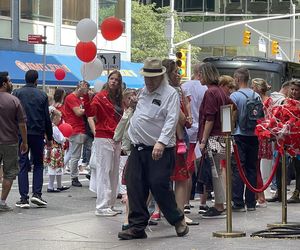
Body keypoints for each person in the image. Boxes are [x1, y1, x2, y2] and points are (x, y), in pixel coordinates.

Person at [118, 58, 188, 240]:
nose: (148, 82)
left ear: (160, 77)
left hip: (159, 149)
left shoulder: (170, 94)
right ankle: (137, 226)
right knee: (134, 186)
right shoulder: (142, 92)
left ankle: (177, 219)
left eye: (152, 78)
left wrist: (162, 142)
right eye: (146, 78)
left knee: (159, 184)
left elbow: (171, 119)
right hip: (138, 147)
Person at [83, 70, 123, 217]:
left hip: (116, 137)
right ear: (108, 80)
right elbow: (90, 112)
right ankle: (102, 206)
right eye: (112, 79)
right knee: (104, 172)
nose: (114, 82)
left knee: (113, 173)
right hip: (103, 136)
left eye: (117, 80)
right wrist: (86, 98)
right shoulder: (100, 97)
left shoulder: (119, 98)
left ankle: (109, 204)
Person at [198, 62, 235, 218]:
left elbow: (210, 118)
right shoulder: (220, 92)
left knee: (217, 173)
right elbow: (232, 107)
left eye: (200, 74)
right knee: (221, 172)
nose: (198, 77)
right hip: (223, 137)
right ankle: (221, 203)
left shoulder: (211, 92)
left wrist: (203, 140)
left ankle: (219, 205)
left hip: (214, 138)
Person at [13, 70, 52, 208]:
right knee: (38, 164)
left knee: (22, 164)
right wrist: (49, 137)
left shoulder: (17, 94)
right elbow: (47, 118)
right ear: (36, 80)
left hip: (21, 133)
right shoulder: (42, 95)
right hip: (38, 132)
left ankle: (23, 198)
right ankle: (37, 194)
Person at [230, 67, 261, 212]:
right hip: (254, 136)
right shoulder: (257, 96)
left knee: (238, 169)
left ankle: (237, 202)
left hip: (239, 135)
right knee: (251, 168)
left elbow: (231, 117)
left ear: (237, 79)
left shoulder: (235, 96)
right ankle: (251, 202)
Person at [181, 63, 207, 214]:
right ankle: (203, 202)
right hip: (203, 131)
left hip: (188, 130)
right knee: (203, 167)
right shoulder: (206, 88)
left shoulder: (185, 86)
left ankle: (185, 202)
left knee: (187, 169)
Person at [0, 72, 28, 211]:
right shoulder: (14, 100)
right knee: (10, 172)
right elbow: (22, 124)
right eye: (10, 81)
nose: (11, 83)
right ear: (4, 84)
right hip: (10, 142)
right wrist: (25, 142)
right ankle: (2, 202)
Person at [251, 78, 272, 208]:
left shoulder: (264, 101)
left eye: (253, 87)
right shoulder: (263, 100)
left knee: (257, 166)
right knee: (256, 166)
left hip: (262, 135)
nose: (252, 89)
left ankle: (261, 196)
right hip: (260, 134)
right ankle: (257, 194)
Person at [64, 82, 88, 187]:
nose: (85, 93)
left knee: (78, 154)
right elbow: (78, 112)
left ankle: (75, 175)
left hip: (81, 129)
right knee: (75, 155)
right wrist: (88, 108)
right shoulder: (71, 98)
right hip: (75, 128)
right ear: (79, 88)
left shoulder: (79, 99)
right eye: (84, 90)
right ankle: (74, 177)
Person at [45, 108, 70, 193]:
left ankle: (59, 185)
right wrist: (64, 139)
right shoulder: (54, 128)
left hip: (53, 149)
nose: (60, 119)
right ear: (55, 117)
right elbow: (59, 138)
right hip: (55, 150)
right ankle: (50, 186)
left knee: (58, 167)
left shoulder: (49, 127)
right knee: (54, 168)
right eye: (59, 117)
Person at [287, 80, 300, 203]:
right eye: (292, 89)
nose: (294, 92)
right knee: (296, 167)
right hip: (292, 142)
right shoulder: (286, 103)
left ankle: (297, 192)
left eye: (296, 90)